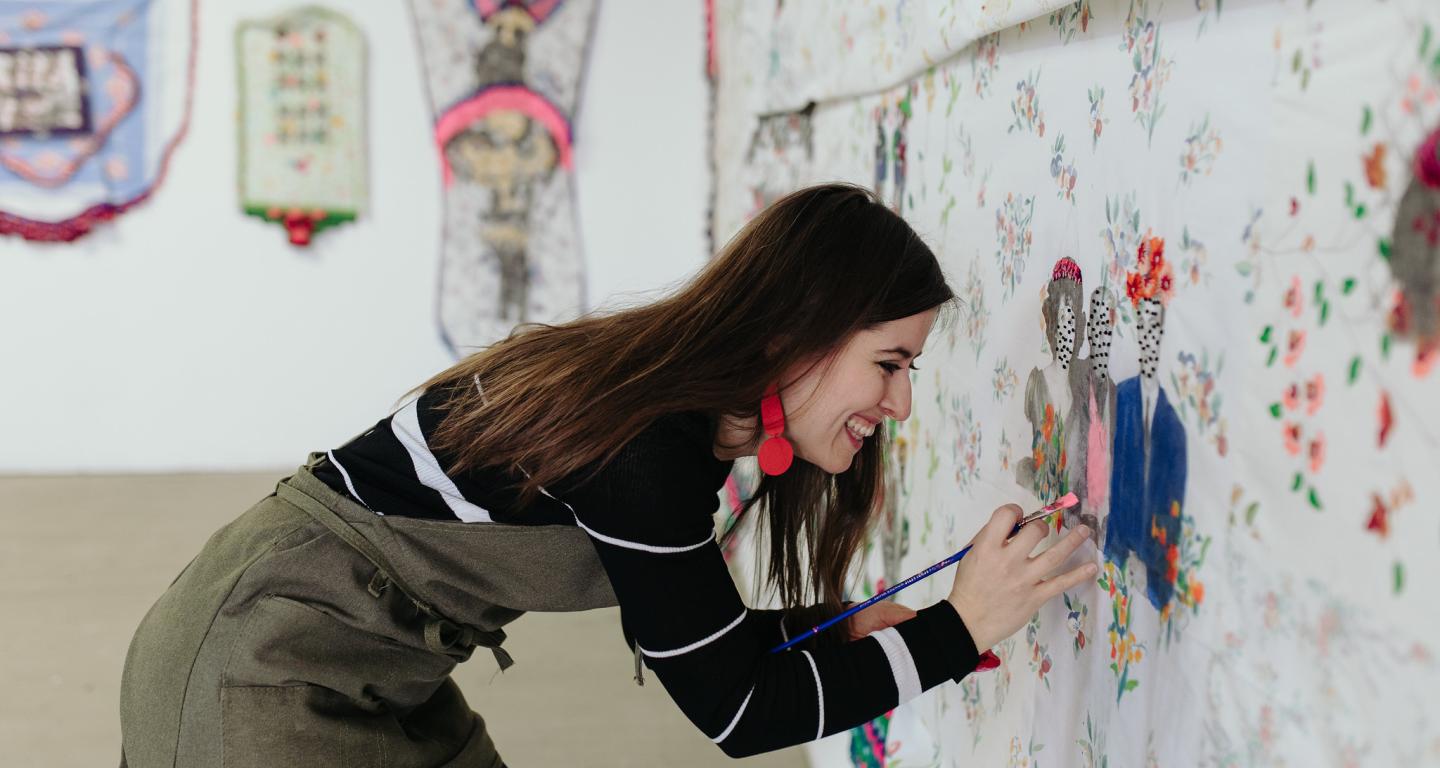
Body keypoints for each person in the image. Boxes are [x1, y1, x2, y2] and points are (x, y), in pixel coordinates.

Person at [118, 183, 1097, 766]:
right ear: (797, 334)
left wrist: (818, 630)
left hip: (370, 663)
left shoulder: (673, 417)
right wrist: (960, 631)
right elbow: (739, 713)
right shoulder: (643, 447)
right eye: (891, 364)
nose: (901, 406)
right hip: (259, 665)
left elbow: (699, 641)